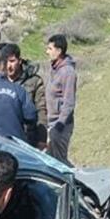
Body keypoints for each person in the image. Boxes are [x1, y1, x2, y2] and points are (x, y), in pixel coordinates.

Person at [2, 43, 48, 149]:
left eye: (12, 61)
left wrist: (42, 138)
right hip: (5, 137)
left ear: (20, 60)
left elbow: (41, 110)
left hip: (28, 138)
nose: (9, 66)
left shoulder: (34, 81)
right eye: (6, 62)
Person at [45, 34, 77, 165]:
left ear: (59, 51)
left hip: (60, 126)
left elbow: (69, 102)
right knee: (51, 160)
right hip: (51, 123)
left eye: (50, 49)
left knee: (60, 162)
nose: (47, 52)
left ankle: (74, 183)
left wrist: (59, 125)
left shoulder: (68, 72)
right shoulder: (55, 69)